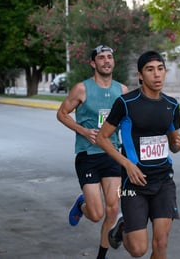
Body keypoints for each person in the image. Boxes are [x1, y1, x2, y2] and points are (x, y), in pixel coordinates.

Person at [96, 51, 180, 259]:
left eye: (160, 69)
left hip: (164, 181)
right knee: (138, 250)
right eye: (150, 70)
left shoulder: (171, 105)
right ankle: (122, 229)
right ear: (140, 75)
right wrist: (127, 164)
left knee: (161, 243)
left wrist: (178, 145)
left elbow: (172, 145)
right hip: (133, 184)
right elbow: (102, 138)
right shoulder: (126, 103)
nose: (157, 75)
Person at [56, 45, 128, 259]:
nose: (106, 61)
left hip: (112, 154)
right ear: (93, 63)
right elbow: (62, 114)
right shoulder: (82, 89)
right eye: (101, 58)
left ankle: (101, 257)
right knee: (96, 214)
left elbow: (128, 123)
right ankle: (82, 203)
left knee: (113, 210)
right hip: (88, 156)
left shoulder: (122, 90)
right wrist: (84, 131)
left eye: (109, 57)